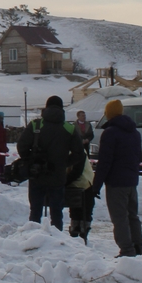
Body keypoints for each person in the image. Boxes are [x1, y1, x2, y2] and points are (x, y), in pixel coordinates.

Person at [17, 95, 85, 231]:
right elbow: (79, 154)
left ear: (46, 108)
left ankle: (33, 238)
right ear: (62, 108)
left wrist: (31, 160)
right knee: (56, 212)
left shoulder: (36, 125)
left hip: (37, 174)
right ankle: (56, 239)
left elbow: (21, 146)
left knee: (35, 210)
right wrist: (64, 163)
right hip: (58, 176)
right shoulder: (69, 128)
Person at [91, 99, 142, 256]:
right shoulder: (135, 132)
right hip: (131, 181)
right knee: (132, 216)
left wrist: (96, 185)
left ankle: (127, 250)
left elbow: (105, 162)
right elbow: (137, 157)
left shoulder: (110, 133)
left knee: (119, 218)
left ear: (109, 114)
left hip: (116, 183)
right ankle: (138, 247)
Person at [66, 148, 96, 243]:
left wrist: (61, 182)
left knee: (79, 208)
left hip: (81, 182)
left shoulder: (76, 150)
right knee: (83, 210)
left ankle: (78, 231)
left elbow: (76, 172)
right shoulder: (78, 149)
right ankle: (81, 231)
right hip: (85, 182)